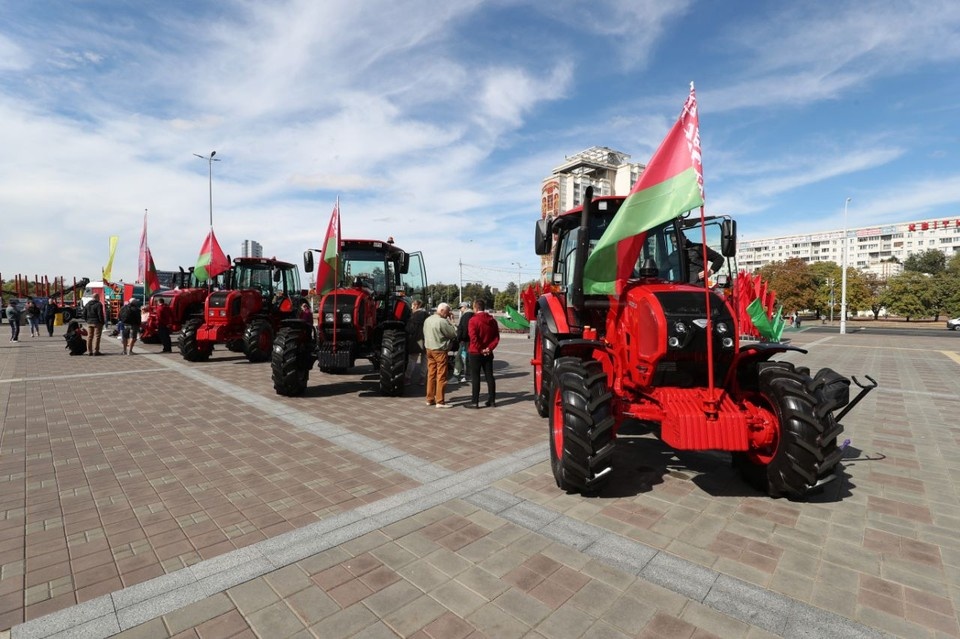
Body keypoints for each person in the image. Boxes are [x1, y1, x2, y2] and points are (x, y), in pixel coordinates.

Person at [422, 302, 458, 408]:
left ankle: (429, 399)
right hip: (440, 350)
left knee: (431, 375)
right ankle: (440, 401)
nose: (448, 314)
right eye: (447, 312)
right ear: (442, 310)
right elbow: (453, 333)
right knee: (441, 376)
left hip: (429, 349)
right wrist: (452, 322)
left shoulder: (428, 319)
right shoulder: (442, 322)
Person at [466, 299, 500, 408]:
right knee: (490, 376)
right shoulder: (492, 320)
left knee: (476, 377)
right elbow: (496, 337)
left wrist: (480, 349)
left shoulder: (473, 320)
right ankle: (492, 400)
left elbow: (473, 337)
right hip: (488, 353)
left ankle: (474, 402)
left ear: (475, 308)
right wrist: (489, 348)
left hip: (475, 352)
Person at [405, 299, 428, 385]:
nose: (411, 307)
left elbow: (409, 329)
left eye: (412, 305)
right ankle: (422, 378)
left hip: (416, 340)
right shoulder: (427, 315)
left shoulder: (413, 316)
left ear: (416, 306)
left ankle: (407, 378)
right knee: (425, 359)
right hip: (426, 340)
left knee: (412, 359)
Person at [453, 301, 474, 383]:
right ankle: (467, 375)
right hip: (469, 340)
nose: (460, 310)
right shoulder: (472, 314)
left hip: (465, 341)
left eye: (461, 308)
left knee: (459, 358)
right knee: (467, 358)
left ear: (464, 307)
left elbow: (464, 329)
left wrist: (459, 338)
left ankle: (457, 376)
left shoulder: (466, 315)